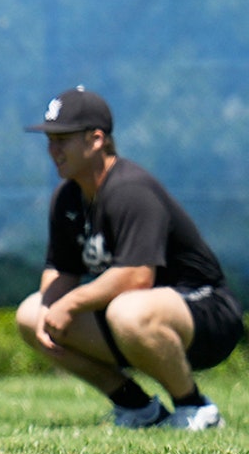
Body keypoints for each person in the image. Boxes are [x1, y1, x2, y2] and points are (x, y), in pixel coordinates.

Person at [15, 87, 243, 430]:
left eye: (63, 139)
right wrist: (49, 310)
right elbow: (62, 269)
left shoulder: (129, 189)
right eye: (50, 139)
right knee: (31, 314)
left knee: (128, 309)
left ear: (95, 140)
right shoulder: (68, 197)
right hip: (135, 318)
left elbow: (137, 276)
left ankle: (195, 408)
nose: (53, 149)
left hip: (205, 313)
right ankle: (138, 408)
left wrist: (70, 303)